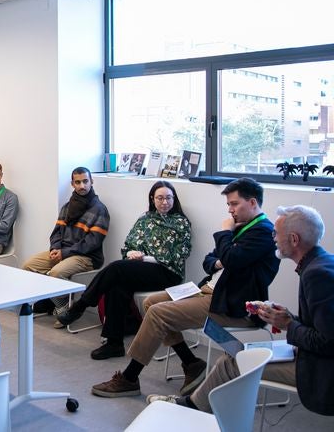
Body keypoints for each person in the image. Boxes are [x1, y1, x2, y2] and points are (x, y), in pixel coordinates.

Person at [91, 177, 280, 398]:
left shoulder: (263, 231)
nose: (230, 210)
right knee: (152, 302)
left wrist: (225, 234)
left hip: (229, 302)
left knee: (158, 313)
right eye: (228, 204)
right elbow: (210, 260)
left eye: (234, 204)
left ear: (253, 202)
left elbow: (232, 258)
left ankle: (130, 377)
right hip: (207, 289)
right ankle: (191, 362)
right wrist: (222, 258)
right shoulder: (243, 228)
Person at [146, 205, 334, 416]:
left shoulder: (317, 275)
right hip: (311, 354)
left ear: (294, 239)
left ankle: (189, 410)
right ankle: (194, 406)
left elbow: (327, 342)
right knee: (238, 354)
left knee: (232, 362)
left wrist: (289, 325)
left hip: (320, 369)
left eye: (276, 233)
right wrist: (288, 318)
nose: (273, 238)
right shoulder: (321, 263)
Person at [56, 181, 191, 359]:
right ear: (152, 199)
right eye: (160, 198)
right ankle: (114, 343)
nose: (164, 202)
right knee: (116, 286)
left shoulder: (181, 222)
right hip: (142, 269)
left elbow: (181, 253)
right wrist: (132, 253)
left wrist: (147, 258)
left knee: (116, 268)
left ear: (174, 199)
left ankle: (81, 305)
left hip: (167, 272)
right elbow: (128, 245)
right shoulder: (145, 219)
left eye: (168, 198)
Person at [22, 167, 109, 317]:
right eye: (78, 182)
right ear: (72, 184)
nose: (82, 186)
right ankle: (59, 305)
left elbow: (92, 242)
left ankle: (64, 310)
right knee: (28, 266)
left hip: (87, 257)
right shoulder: (67, 207)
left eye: (85, 181)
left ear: (92, 182)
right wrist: (55, 249)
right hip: (63, 252)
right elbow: (56, 232)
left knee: (56, 272)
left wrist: (64, 253)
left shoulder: (100, 209)